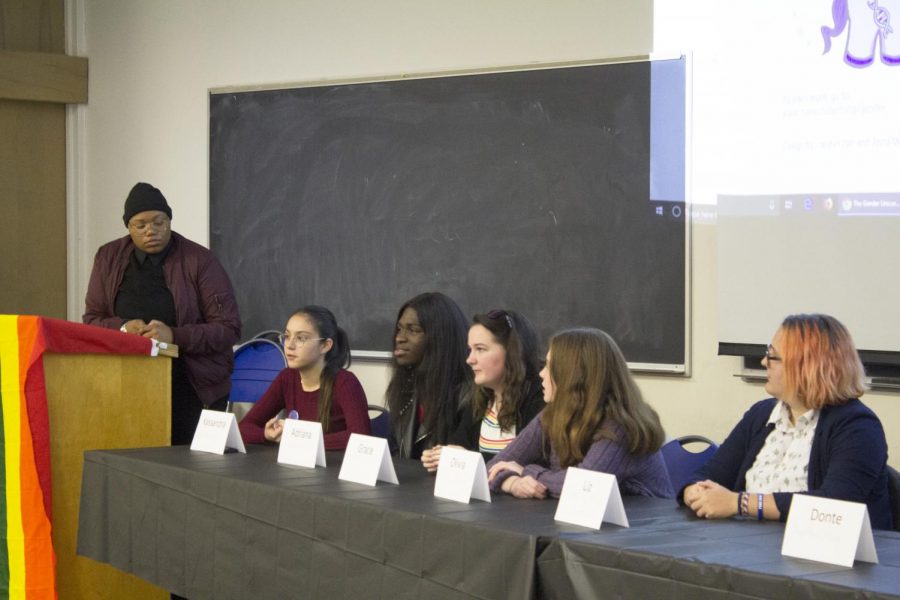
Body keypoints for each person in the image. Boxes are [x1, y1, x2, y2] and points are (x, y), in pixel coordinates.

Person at [681, 314, 892, 528]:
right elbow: (711, 473)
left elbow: (834, 505)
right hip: (749, 552)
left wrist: (740, 503)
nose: (764, 362)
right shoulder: (761, 415)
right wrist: (695, 492)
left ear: (806, 366)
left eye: (772, 357)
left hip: (826, 553)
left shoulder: (858, 426)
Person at [83, 182, 241, 445]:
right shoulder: (108, 257)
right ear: (128, 227)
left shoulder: (199, 261)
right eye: (140, 225)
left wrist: (174, 335)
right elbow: (92, 320)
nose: (151, 231)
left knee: (185, 465)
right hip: (126, 380)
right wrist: (123, 329)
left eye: (159, 222)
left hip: (191, 382)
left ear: (169, 221)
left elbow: (228, 328)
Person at [487, 328, 673, 499]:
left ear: (574, 376)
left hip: (642, 530)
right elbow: (494, 466)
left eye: (550, 366)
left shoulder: (620, 426)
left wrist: (527, 471)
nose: (541, 374)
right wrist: (512, 483)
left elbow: (582, 488)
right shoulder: (554, 414)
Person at [420, 309, 545, 471]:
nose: (469, 360)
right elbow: (459, 446)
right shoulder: (480, 398)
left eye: (480, 349)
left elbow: (535, 464)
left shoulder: (540, 399)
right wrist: (440, 457)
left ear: (512, 352)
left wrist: (469, 459)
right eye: (470, 350)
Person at [238, 305, 369, 450]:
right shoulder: (287, 377)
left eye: (301, 338)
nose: (290, 345)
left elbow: (361, 437)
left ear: (325, 346)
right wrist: (266, 435)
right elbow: (244, 427)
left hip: (334, 468)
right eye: (287, 336)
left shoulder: (345, 382)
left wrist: (300, 440)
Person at [386, 292, 472, 459]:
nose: (399, 338)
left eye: (413, 330)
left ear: (440, 338)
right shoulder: (405, 388)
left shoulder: (468, 395)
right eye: (399, 328)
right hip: (414, 483)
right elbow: (400, 455)